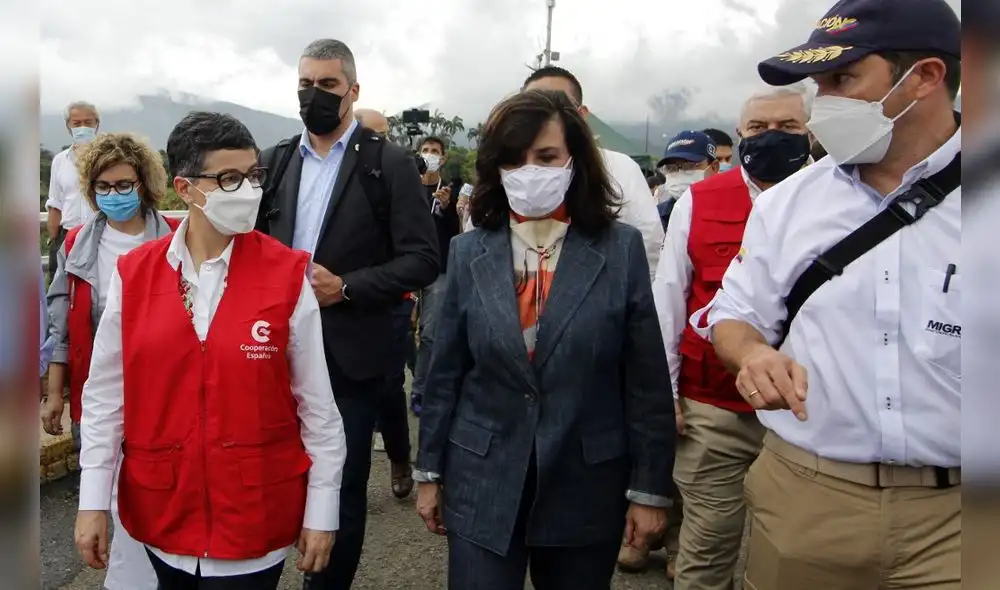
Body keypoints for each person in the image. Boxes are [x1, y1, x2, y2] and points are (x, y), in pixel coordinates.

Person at [695, 0, 962, 587]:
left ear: (925, 77)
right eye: (819, 86)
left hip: (962, 518)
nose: (825, 106)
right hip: (809, 501)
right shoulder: (789, 202)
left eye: (843, 80)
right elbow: (735, 312)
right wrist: (752, 353)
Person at [414, 89, 676, 590]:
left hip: (585, 479)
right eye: (513, 160)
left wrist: (649, 489)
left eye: (546, 157)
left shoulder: (619, 251)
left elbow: (645, 380)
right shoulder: (468, 252)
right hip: (481, 474)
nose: (529, 170)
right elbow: (444, 370)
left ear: (574, 159)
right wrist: (429, 471)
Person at [74, 112, 348, 590]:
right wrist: (92, 501)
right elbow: (105, 396)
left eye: (252, 175)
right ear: (185, 187)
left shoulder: (287, 274)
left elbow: (318, 407)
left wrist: (322, 509)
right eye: (228, 178)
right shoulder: (134, 274)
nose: (247, 189)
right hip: (164, 511)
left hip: (254, 516)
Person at [257, 39, 439, 589]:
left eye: (328, 85)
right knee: (265, 480)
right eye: (306, 84)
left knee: (339, 488)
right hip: (272, 351)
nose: (315, 95)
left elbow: (424, 258)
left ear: (353, 91)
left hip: (352, 357)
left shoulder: (388, 163)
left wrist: (349, 288)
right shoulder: (277, 160)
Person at [650, 84, 812, 590]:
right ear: (740, 135)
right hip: (713, 409)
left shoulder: (841, 199)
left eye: (788, 127)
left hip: (805, 413)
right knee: (705, 548)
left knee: (797, 553)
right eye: (759, 128)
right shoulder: (698, 201)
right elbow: (670, 300)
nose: (772, 137)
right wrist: (667, 393)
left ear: (810, 133)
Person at [44, 132, 184, 589]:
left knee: (161, 496)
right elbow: (61, 328)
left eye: (124, 184)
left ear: (145, 183)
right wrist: (54, 394)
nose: (114, 195)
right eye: (103, 187)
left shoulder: (178, 239)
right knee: (108, 494)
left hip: (164, 395)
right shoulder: (77, 245)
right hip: (99, 393)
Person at [521, 66, 665, 278]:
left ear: (582, 114)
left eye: (560, 107)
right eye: (531, 109)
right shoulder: (508, 169)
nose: (545, 117)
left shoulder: (621, 169)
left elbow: (649, 246)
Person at [353, 107, 416, 500]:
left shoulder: (398, 175)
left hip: (389, 302)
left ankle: (399, 455)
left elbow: (416, 252)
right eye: (375, 134)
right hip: (337, 304)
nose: (383, 142)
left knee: (389, 386)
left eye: (386, 135)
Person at [409, 135, 462, 417]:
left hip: (438, 269)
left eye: (435, 152)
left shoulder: (450, 192)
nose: (430, 155)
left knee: (430, 334)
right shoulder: (406, 186)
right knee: (400, 332)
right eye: (425, 150)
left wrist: (446, 209)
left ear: (442, 159)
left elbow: (457, 234)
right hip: (407, 267)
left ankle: (420, 389)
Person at [45, 100, 101, 282]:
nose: (83, 127)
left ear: (97, 124)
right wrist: (54, 240)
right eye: (77, 124)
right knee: (62, 288)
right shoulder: (60, 161)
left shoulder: (109, 157)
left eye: (88, 122)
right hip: (67, 235)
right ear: (68, 127)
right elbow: (55, 202)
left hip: (100, 234)